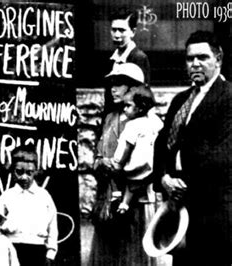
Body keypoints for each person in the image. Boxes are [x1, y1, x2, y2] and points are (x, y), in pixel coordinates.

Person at [153, 30, 232, 266]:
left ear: (218, 59)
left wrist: (181, 182)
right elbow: (161, 145)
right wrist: (164, 178)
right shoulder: (180, 100)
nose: (195, 64)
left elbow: (224, 155)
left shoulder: (228, 97)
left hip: (214, 209)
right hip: (180, 208)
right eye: (190, 59)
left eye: (203, 57)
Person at [89, 63, 157, 266]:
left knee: (133, 255)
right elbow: (99, 153)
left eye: (120, 84)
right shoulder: (109, 117)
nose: (114, 89)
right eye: (112, 84)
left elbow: (147, 164)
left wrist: (120, 169)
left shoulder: (146, 121)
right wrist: (101, 163)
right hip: (109, 198)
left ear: (134, 88)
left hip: (135, 198)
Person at [0, 144, 58, 266]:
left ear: (36, 171)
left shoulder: (44, 196)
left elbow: (52, 226)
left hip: (37, 251)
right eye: (19, 172)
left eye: (29, 172)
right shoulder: (6, 196)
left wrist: (50, 252)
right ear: (12, 170)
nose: (24, 177)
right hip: (10, 248)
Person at [108, 86, 162, 216]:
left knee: (128, 181)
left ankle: (122, 200)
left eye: (128, 106)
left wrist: (119, 163)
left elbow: (127, 147)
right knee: (137, 184)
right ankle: (125, 203)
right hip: (151, 166)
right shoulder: (155, 121)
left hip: (136, 164)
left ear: (140, 108)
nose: (125, 109)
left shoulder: (132, 125)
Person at [109, 9, 150, 86]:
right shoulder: (111, 58)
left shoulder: (139, 58)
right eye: (114, 30)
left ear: (133, 32)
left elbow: (142, 93)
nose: (117, 35)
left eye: (122, 30)